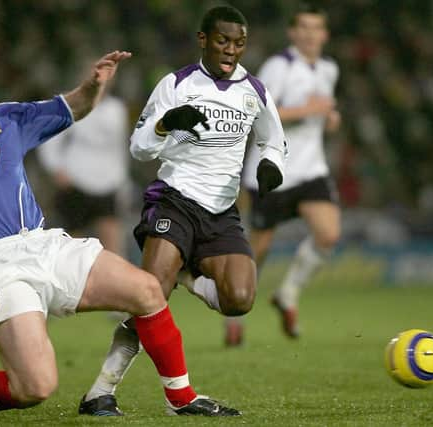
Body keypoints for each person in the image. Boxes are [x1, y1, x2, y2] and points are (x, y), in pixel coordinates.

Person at [0, 49, 239, 418]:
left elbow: (73, 107)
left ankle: (181, 399)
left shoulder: (8, 119)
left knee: (148, 292)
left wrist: (94, 84)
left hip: (43, 243)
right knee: (35, 387)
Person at [78, 6, 287, 415]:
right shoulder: (176, 85)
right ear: (203, 39)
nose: (231, 50)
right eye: (223, 41)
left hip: (222, 212)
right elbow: (139, 148)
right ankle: (101, 391)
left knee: (240, 299)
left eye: (239, 43)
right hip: (174, 200)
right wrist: (166, 122)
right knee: (149, 298)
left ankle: (187, 275)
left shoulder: (255, 91)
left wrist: (270, 166)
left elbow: (273, 140)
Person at [238, 3, 341, 340]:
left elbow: (324, 109)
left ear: (325, 34)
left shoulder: (328, 69)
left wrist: (330, 118)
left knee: (328, 234)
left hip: (311, 168)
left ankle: (288, 293)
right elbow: (258, 112)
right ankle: (234, 312)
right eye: (305, 28)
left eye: (317, 28)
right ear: (293, 33)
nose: (311, 34)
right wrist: (306, 110)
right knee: (259, 249)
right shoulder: (278, 66)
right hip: (273, 169)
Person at [35, 91, 129, 257]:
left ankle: (116, 281)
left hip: (108, 182)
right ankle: (69, 280)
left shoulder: (117, 109)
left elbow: (120, 147)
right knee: (72, 242)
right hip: (76, 180)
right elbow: (50, 136)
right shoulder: (72, 105)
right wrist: (55, 168)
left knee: (112, 238)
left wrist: (122, 181)